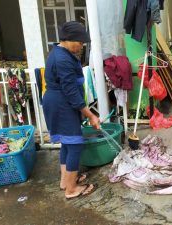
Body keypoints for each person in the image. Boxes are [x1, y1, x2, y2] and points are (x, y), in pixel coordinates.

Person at [43, 21, 100, 199]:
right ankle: (71, 189)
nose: (82, 46)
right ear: (68, 39)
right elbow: (71, 92)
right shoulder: (61, 59)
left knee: (67, 143)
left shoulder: (63, 52)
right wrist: (91, 115)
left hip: (60, 102)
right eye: (80, 42)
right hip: (61, 104)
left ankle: (65, 181)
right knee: (75, 144)